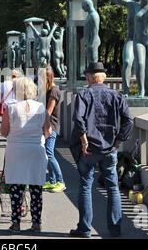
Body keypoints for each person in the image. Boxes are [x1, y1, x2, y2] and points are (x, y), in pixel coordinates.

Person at [69, 62, 133, 238]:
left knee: (85, 186)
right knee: (113, 187)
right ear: (103, 77)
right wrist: (119, 140)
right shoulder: (116, 96)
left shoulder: (84, 95)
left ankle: (84, 229)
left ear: (89, 77)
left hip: (88, 149)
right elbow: (129, 120)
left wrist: (83, 140)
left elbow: (78, 119)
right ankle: (114, 229)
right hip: (109, 148)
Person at [0, 77, 51, 232]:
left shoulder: (11, 108)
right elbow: (48, 131)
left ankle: (15, 223)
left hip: (16, 150)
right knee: (36, 188)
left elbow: (4, 131)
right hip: (36, 149)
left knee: (16, 187)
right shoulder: (42, 107)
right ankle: (36, 223)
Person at [42, 66, 66, 193]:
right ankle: (51, 181)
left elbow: (48, 111)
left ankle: (60, 181)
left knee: (49, 153)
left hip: (51, 126)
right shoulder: (48, 90)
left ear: (48, 77)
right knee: (47, 153)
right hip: (47, 125)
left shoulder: (54, 91)